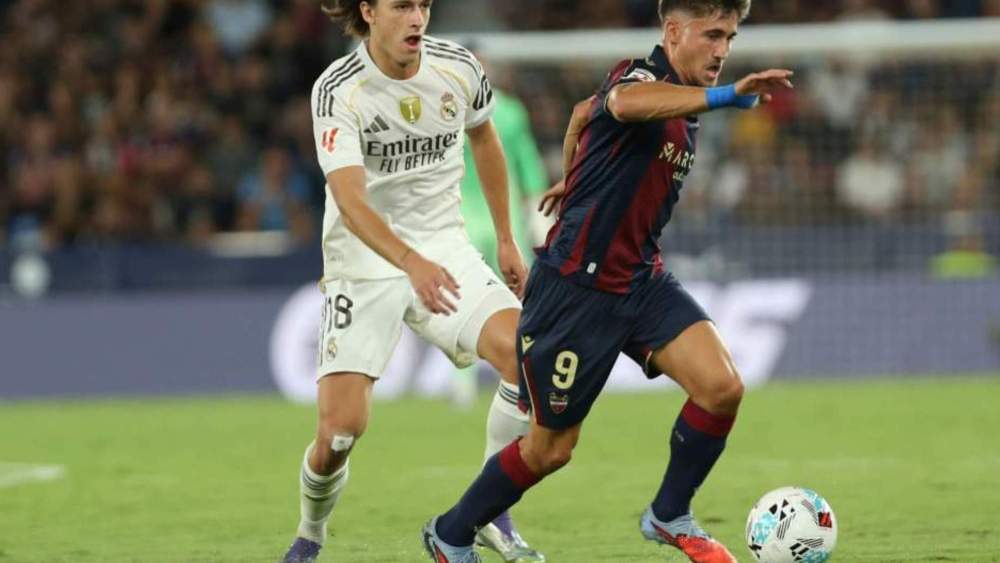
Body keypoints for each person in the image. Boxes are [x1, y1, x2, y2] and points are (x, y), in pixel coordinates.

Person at [422, 1, 794, 562]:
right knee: (550, 449)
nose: (722, 50)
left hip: (640, 279)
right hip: (576, 289)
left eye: (730, 38)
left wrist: (574, 179)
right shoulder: (641, 76)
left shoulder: (684, 99)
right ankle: (451, 532)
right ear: (674, 31)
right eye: (713, 35)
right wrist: (724, 97)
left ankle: (669, 513)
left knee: (722, 387)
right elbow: (621, 103)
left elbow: (581, 114)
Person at [281, 1, 544, 562]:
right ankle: (310, 533)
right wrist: (408, 261)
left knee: (526, 355)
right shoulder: (338, 89)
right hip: (363, 261)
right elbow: (350, 199)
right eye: (402, 5)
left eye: (423, 4)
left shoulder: (458, 67)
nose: (417, 17)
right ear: (369, 11)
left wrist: (505, 238)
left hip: (442, 245)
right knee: (339, 434)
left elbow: (485, 140)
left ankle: (490, 510)